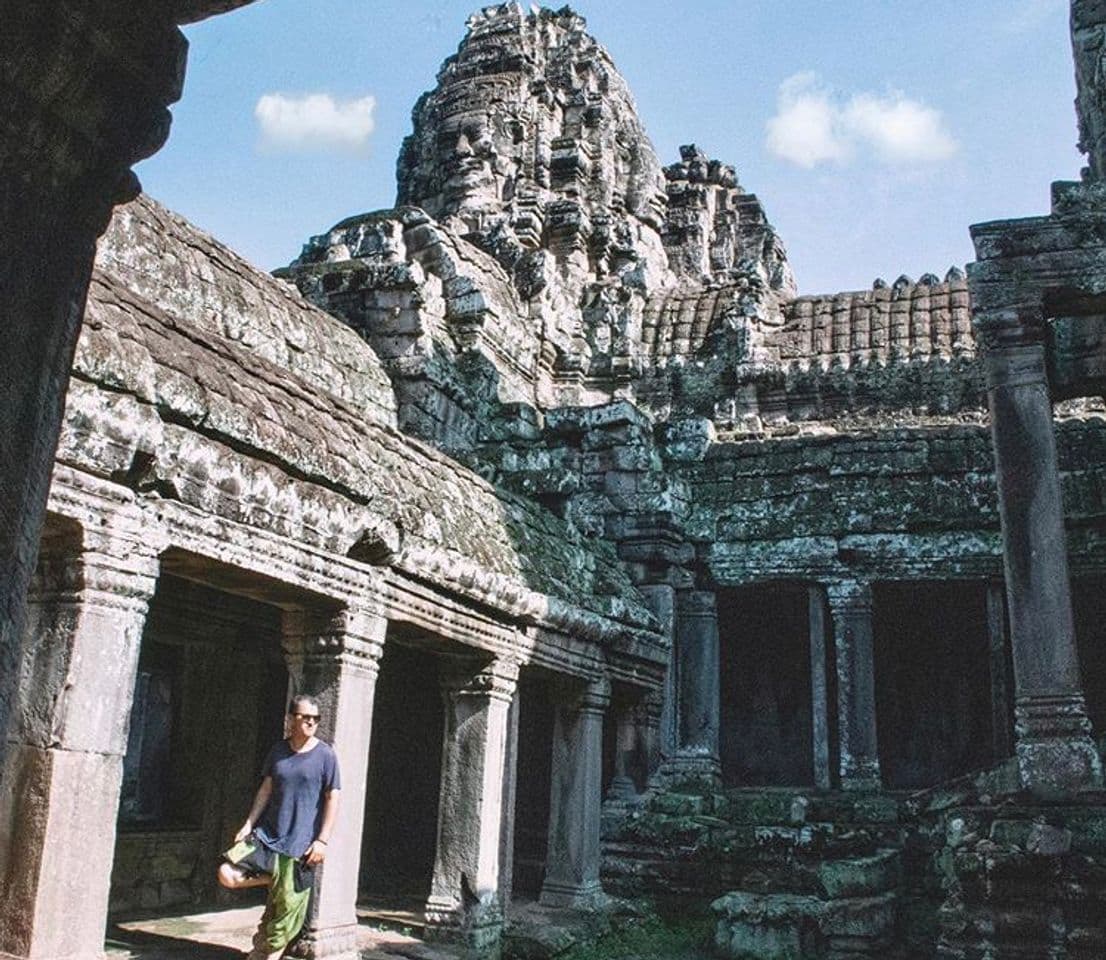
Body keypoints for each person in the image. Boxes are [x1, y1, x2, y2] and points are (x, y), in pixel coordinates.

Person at [217, 694, 341, 960]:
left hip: (300, 844)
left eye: (315, 719)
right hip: (267, 836)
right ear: (291, 719)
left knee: (285, 918)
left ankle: (265, 953)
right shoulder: (278, 751)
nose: (311, 723)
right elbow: (266, 790)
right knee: (226, 872)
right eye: (305, 717)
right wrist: (248, 824)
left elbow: (333, 797)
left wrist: (322, 840)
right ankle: (275, 877)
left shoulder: (325, 755)